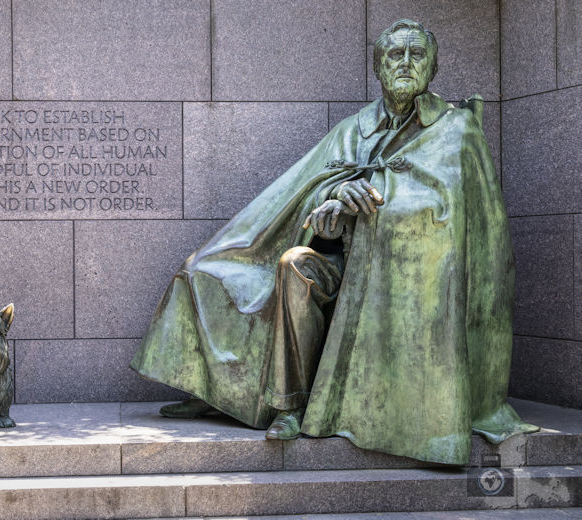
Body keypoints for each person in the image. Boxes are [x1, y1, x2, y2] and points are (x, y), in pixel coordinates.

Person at [130, 19, 538, 465]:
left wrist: (375, 199)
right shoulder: (354, 128)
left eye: (415, 55)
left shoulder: (457, 130)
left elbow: (453, 219)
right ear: (378, 69)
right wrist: (332, 200)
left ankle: (290, 407)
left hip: (403, 282)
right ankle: (236, 393)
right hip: (341, 264)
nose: (404, 63)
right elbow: (306, 193)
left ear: (432, 67)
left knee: (290, 266)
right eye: (394, 56)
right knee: (239, 266)